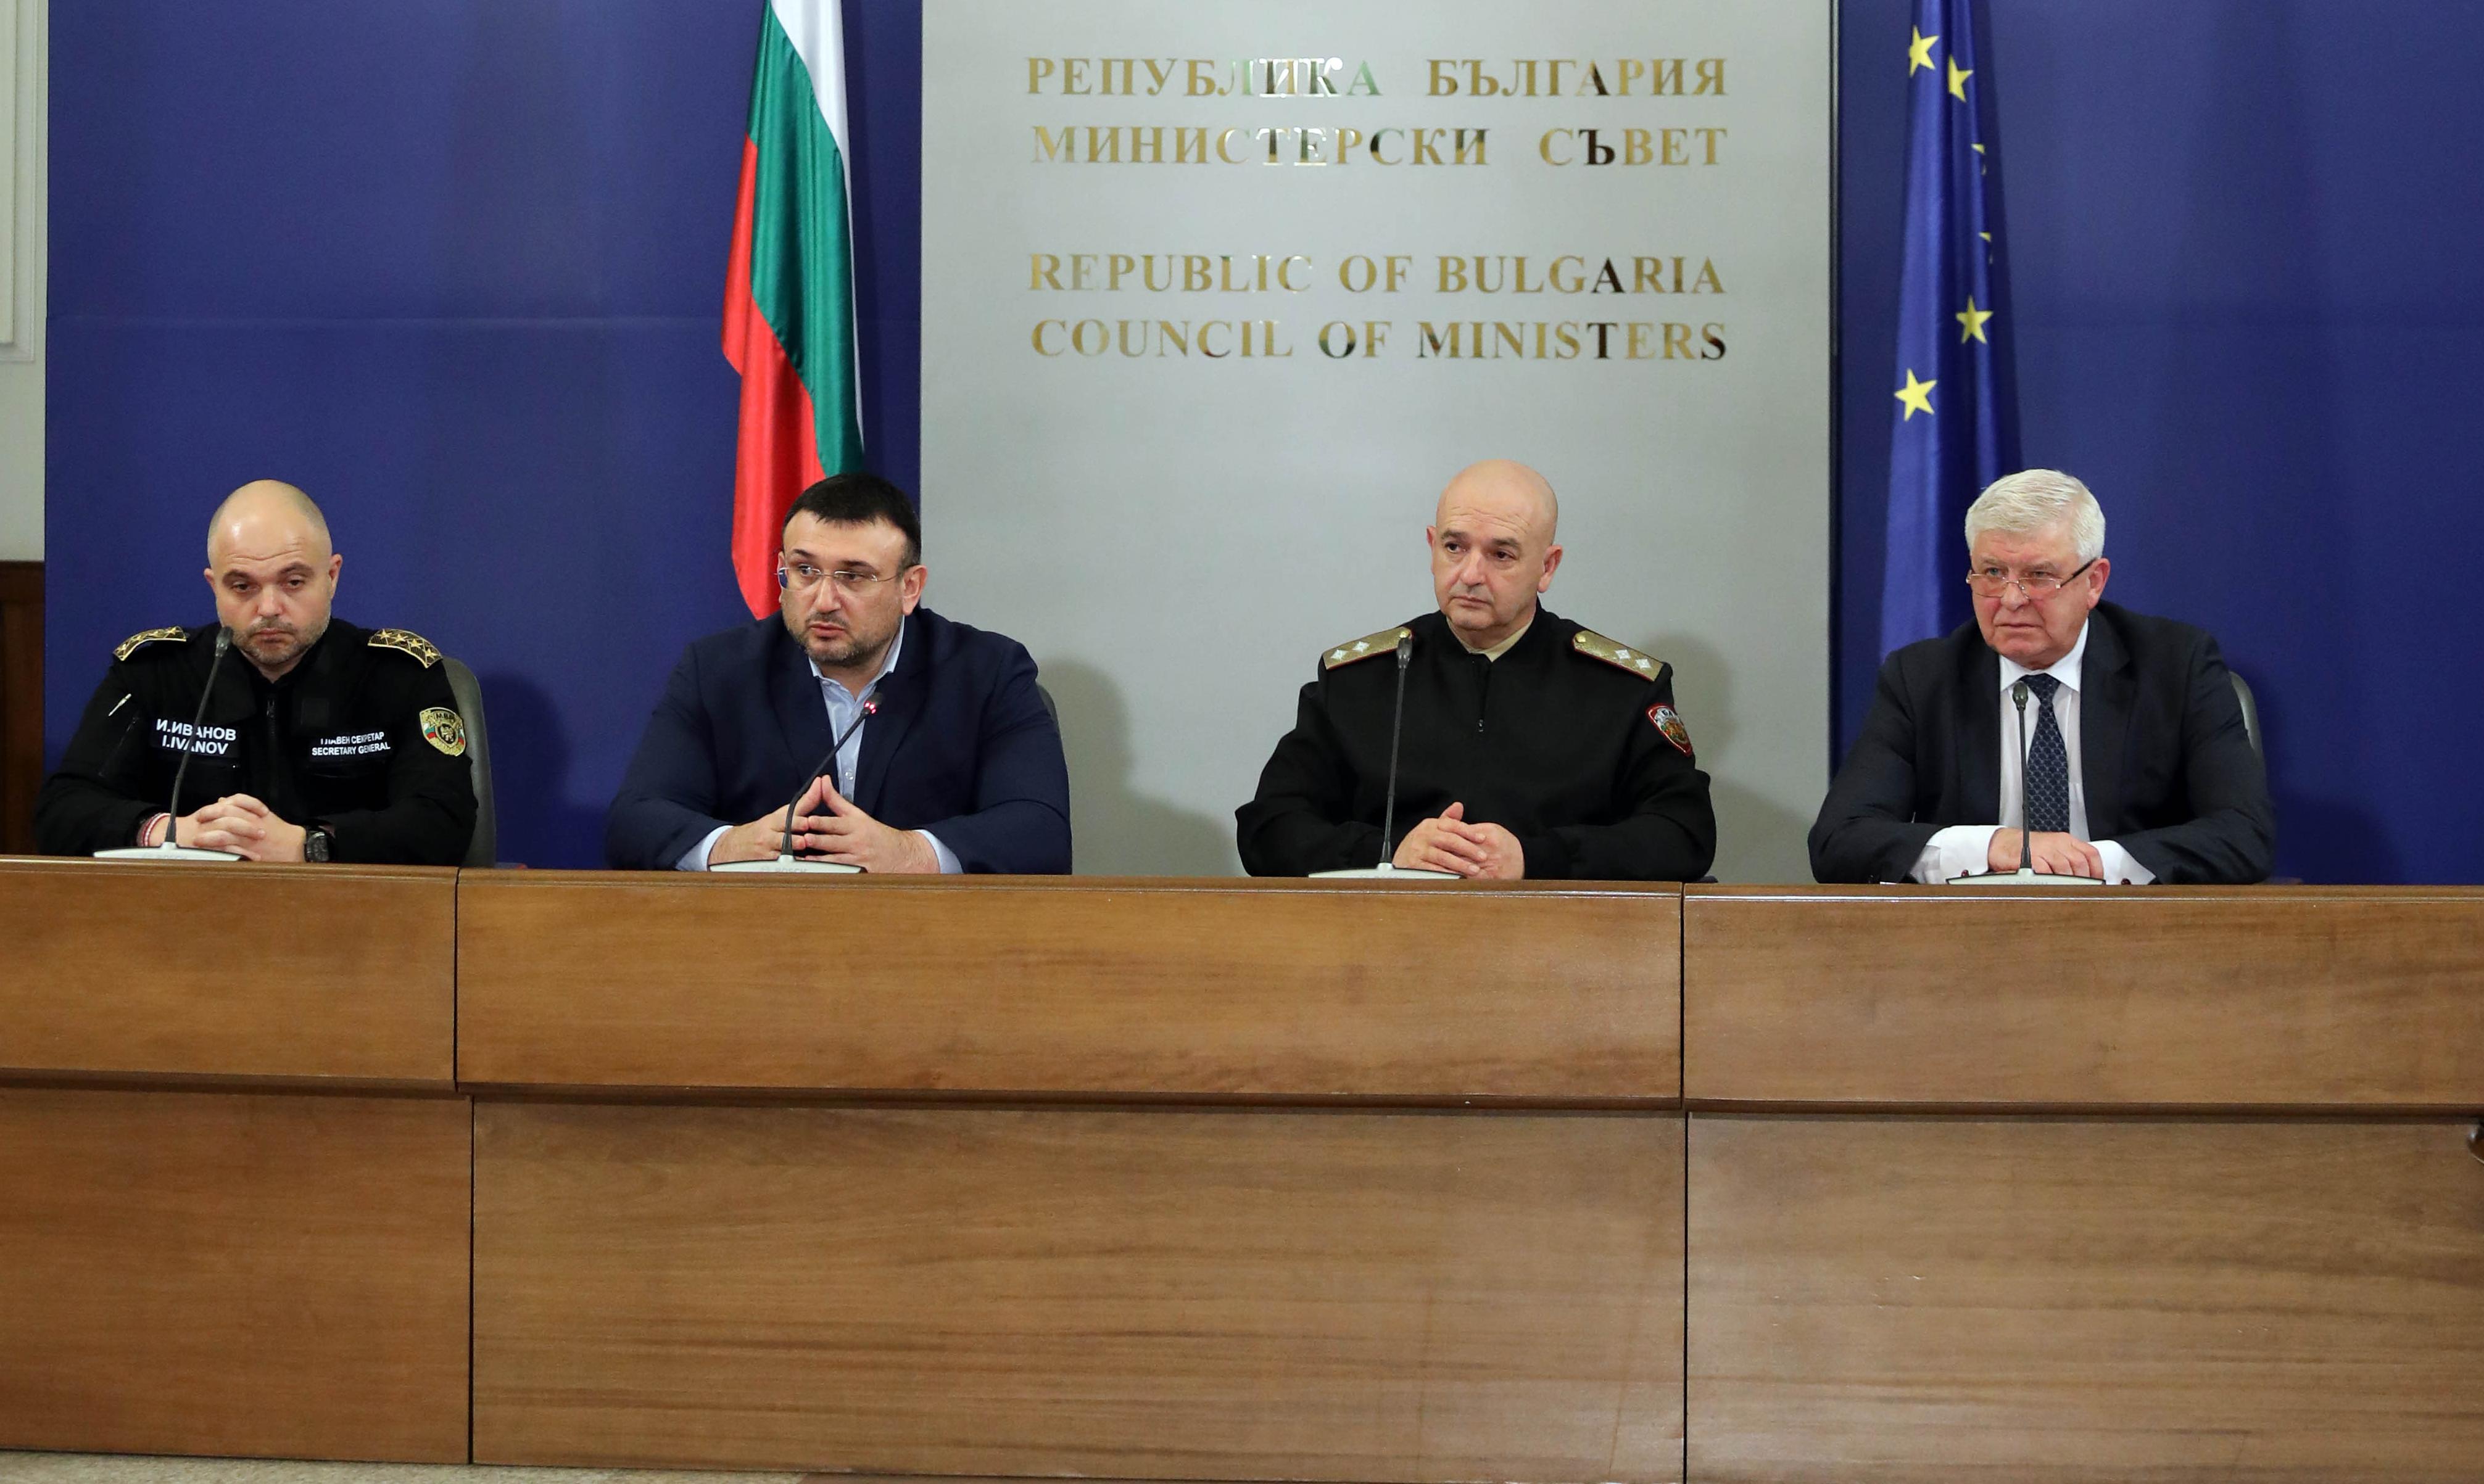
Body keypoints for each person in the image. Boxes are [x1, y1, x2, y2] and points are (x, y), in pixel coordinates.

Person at [1236, 459, 1716, 880]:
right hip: (1386, 939)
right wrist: (1387, 855)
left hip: (1559, 943)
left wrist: (1536, 859)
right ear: (1432, 546)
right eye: (1454, 547)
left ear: (1547, 567)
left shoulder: (1619, 689)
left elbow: (1684, 832)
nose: (1470, 574)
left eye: (1501, 555)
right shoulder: (1359, 681)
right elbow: (1268, 826)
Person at [1810, 469, 2274, 884]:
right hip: (1970, 936)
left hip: (2137, 934)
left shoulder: (2177, 666)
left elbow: (2243, 835)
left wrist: (2095, 863)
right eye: (1993, 573)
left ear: (2094, 582)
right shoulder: (1921, 679)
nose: (2012, 600)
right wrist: (1992, 846)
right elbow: (1839, 841)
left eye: (2038, 576)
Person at [607, 472, 1070, 873]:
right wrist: (731, 846)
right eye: (805, 571)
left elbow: (1042, 831)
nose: (825, 600)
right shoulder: (718, 672)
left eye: (854, 576)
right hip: (764, 933)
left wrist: (911, 853)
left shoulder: (987, 673)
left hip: (931, 935)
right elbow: (634, 821)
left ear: (910, 588)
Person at [36, 480, 477, 864]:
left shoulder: (400, 675)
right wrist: (169, 832)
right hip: (187, 914)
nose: (268, 608)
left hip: (356, 916)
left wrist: (311, 845)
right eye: (242, 586)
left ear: (332, 576)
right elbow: (62, 810)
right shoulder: (154, 675)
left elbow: (445, 819)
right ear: (214, 586)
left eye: (293, 582)